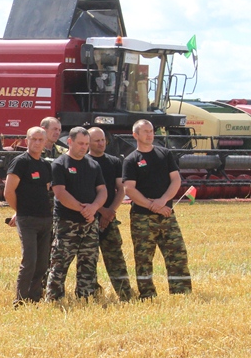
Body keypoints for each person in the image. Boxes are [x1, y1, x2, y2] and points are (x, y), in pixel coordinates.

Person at [123, 120, 191, 298]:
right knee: (144, 258)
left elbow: (176, 180)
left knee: (178, 253)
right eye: (145, 131)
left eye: (151, 131)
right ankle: (147, 295)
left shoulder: (165, 154)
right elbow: (129, 189)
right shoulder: (131, 160)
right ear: (135, 135)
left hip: (167, 214)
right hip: (142, 218)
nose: (149, 134)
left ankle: (181, 291)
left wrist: (163, 201)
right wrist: (152, 206)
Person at [45, 127, 107, 301]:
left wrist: (94, 208)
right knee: (60, 262)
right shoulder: (59, 164)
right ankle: (54, 298)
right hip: (67, 221)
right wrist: (84, 209)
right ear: (70, 142)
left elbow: (102, 190)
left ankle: (85, 296)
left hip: (90, 223)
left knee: (89, 262)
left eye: (87, 144)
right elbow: (60, 193)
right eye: (80, 143)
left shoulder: (93, 165)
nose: (84, 147)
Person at [4, 127, 53, 305]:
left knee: (42, 263)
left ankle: (35, 297)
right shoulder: (20, 162)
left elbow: (46, 190)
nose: (37, 143)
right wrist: (21, 211)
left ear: (45, 142)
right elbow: (8, 192)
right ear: (26, 140)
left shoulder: (46, 165)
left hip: (45, 219)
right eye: (34, 139)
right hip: (27, 220)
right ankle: (21, 299)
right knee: (29, 261)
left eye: (41, 140)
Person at [88, 127, 134, 301]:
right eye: (96, 140)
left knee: (116, 258)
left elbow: (121, 189)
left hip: (109, 216)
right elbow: (83, 193)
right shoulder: (84, 162)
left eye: (103, 140)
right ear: (88, 143)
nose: (101, 143)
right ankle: (93, 295)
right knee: (89, 260)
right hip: (90, 217)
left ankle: (125, 294)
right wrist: (101, 210)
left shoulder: (114, 162)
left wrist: (111, 212)